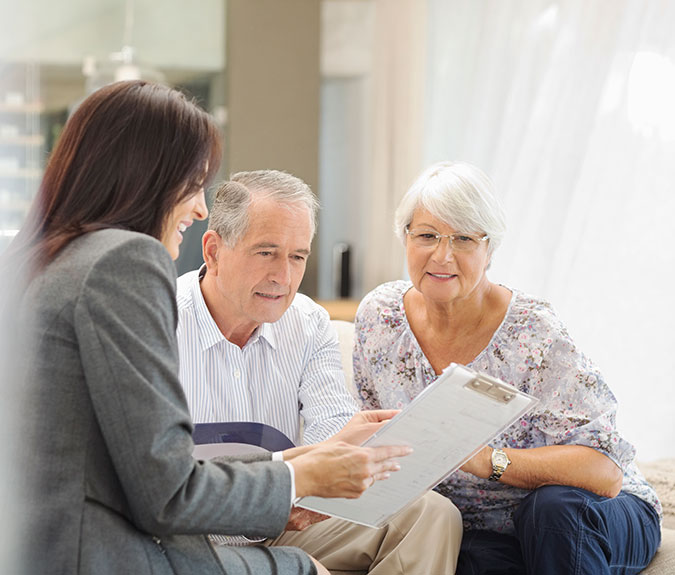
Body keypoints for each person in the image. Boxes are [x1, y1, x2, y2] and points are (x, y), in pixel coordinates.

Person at [4, 80, 412, 575]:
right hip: (104, 553)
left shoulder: (40, 261)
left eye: (297, 256)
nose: (199, 207)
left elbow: (139, 468)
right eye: (193, 183)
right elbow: (168, 493)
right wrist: (296, 478)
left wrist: (293, 470)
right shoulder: (124, 263)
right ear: (146, 177)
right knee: (306, 569)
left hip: (57, 545)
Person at [353, 160, 663, 575]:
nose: (442, 255)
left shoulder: (534, 332)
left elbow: (604, 472)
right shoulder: (380, 318)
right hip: (485, 528)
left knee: (552, 512)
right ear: (405, 238)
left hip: (594, 511)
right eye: (426, 235)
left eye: (463, 238)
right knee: (462, 553)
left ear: (490, 248)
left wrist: (487, 460)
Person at [176, 169, 463, 575]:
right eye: (266, 252)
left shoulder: (308, 323)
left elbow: (331, 431)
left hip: (280, 520)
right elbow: (159, 481)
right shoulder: (157, 322)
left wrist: (346, 452)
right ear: (213, 251)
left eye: (297, 256)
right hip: (189, 531)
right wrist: (287, 484)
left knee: (430, 513)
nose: (284, 277)